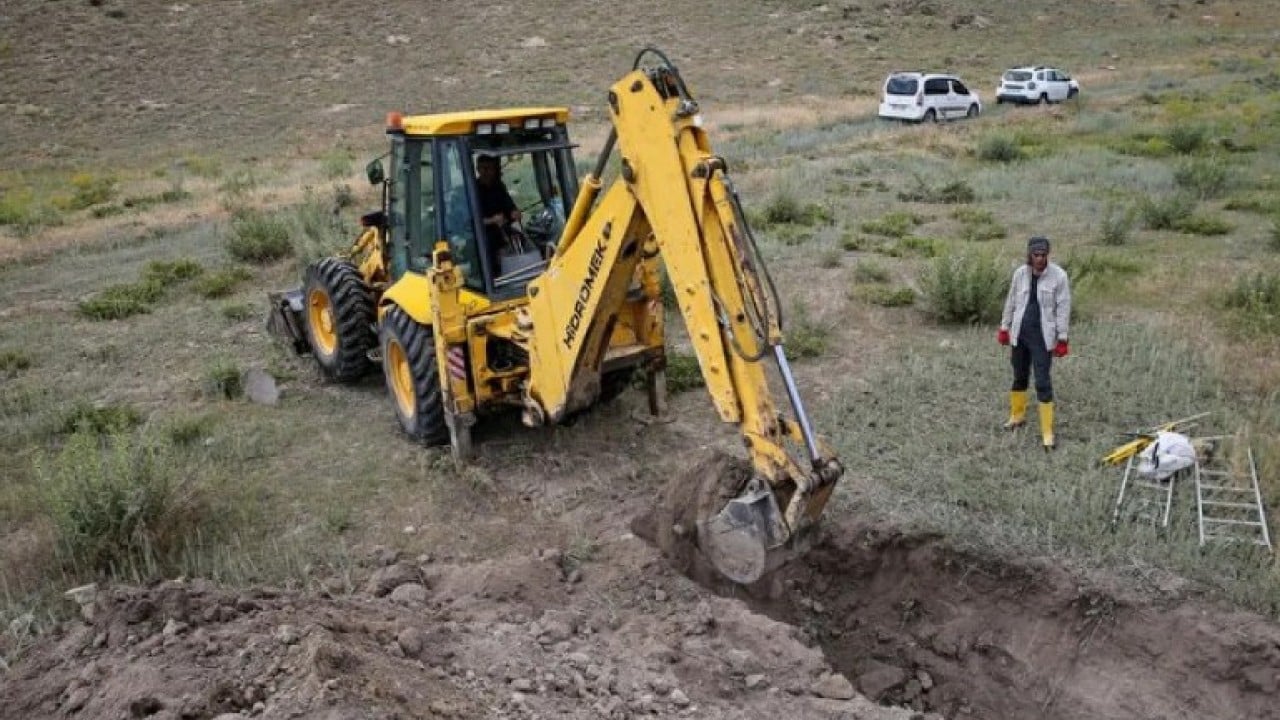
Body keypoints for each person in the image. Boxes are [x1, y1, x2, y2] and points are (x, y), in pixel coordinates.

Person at [997, 235, 1071, 450]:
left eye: (1043, 255)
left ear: (1048, 255)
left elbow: (1063, 307)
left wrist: (1063, 338)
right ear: (1029, 254)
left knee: (1042, 382)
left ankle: (1047, 432)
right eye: (1035, 255)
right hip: (1019, 334)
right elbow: (1011, 300)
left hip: (1043, 338)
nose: (1039, 259)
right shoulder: (1020, 274)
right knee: (1019, 376)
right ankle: (1017, 416)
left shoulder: (1059, 276)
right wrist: (1004, 327)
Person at [474, 154, 522, 274]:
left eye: (490, 169)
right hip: (482, 235)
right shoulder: (473, 190)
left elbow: (509, 206)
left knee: (523, 239)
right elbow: (469, 221)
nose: (487, 172)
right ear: (478, 169)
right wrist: (492, 220)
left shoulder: (499, 186)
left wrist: (514, 213)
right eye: (484, 169)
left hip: (504, 231)